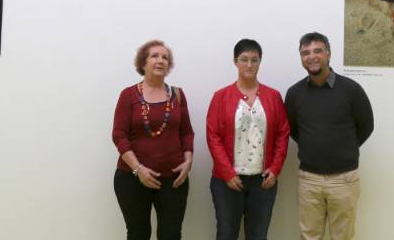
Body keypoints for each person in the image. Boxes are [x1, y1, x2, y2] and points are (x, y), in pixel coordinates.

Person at [284, 32, 374, 240]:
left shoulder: (351, 90)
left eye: (317, 50)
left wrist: (343, 148)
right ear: (301, 58)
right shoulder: (294, 93)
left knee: (342, 236)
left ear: (328, 54)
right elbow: (294, 130)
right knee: (309, 236)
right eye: (305, 52)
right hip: (309, 179)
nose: (311, 56)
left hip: (344, 179)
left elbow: (366, 126)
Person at [206, 39, 290, 240]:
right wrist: (227, 173)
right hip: (227, 181)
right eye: (244, 59)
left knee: (258, 235)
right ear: (235, 62)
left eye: (254, 59)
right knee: (226, 234)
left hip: (263, 181)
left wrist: (275, 169)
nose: (249, 65)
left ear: (260, 61)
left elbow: (283, 133)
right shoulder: (221, 96)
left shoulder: (273, 96)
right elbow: (213, 136)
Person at [112, 39, 194, 240]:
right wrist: (138, 169)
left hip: (173, 180)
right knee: (138, 234)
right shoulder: (128, 95)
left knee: (170, 234)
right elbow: (119, 135)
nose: (160, 60)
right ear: (143, 63)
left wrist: (188, 162)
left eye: (165, 57)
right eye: (154, 56)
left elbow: (186, 133)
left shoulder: (177, 95)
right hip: (132, 178)